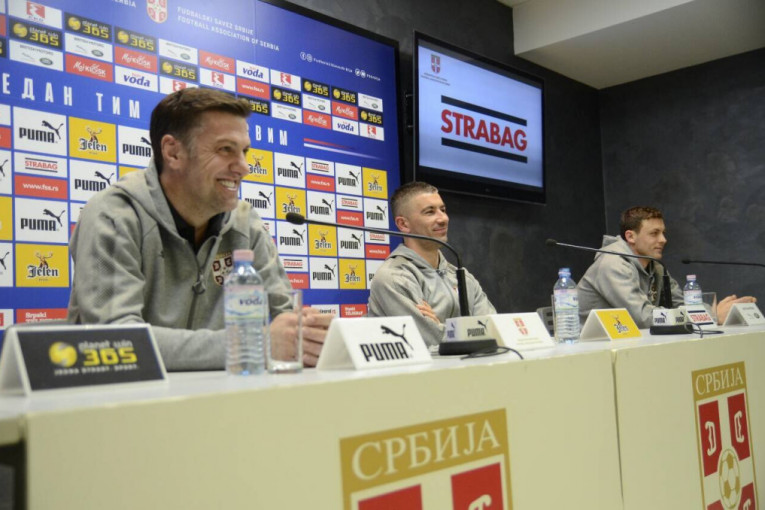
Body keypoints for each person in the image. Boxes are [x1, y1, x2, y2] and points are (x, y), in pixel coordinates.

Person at [68, 88, 331, 370]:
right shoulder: (114, 215)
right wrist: (254, 344)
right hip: (124, 395)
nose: (244, 167)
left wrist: (311, 335)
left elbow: (287, 314)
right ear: (173, 152)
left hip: (217, 394)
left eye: (244, 151)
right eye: (225, 149)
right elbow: (117, 340)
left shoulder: (245, 222)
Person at [577, 206, 755, 328]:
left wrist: (709, 313)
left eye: (663, 233)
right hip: (586, 349)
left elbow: (681, 303)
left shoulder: (656, 267)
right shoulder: (612, 264)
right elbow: (643, 317)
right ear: (630, 237)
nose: (663, 240)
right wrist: (711, 315)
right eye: (654, 233)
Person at [367, 181, 495, 345]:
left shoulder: (462, 277)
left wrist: (440, 326)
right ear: (403, 224)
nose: (443, 219)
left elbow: (493, 331)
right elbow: (427, 341)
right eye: (430, 212)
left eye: (443, 210)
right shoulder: (394, 277)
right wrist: (462, 330)